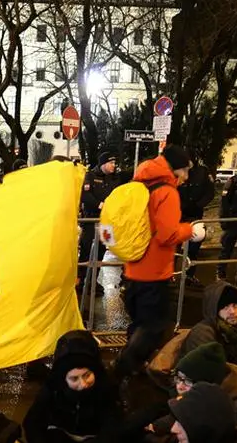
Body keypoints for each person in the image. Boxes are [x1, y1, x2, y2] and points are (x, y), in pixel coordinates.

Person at [116, 146, 196, 378]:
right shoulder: (167, 192)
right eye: (185, 171)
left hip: (133, 266)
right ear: (176, 168)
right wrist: (189, 230)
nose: (186, 177)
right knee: (153, 327)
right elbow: (167, 235)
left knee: (140, 323)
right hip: (154, 271)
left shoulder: (141, 183)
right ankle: (122, 371)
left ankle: (132, 371)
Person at [19, 330, 121, 443]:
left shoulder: (106, 390)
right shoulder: (52, 391)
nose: (83, 384)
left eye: (87, 375)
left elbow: (111, 436)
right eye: (74, 379)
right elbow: (32, 425)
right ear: (63, 378)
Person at [180, 280, 237, 391]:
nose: (232, 312)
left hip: (236, 388)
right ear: (214, 310)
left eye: (235, 305)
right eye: (225, 307)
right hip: (203, 391)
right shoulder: (202, 333)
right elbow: (208, 377)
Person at [78, 151, 119, 292]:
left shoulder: (112, 179)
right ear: (104, 163)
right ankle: (81, 281)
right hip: (91, 220)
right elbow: (84, 195)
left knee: (102, 251)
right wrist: (99, 204)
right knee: (87, 250)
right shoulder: (90, 176)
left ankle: (94, 282)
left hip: (106, 222)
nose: (114, 165)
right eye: (111, 163)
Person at [179, 159, 216, 284]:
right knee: (173, 247)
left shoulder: (202, 172)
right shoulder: (177, 170)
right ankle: (169, 275)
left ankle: (189, 274)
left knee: (194, 247)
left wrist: (199, 205)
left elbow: (210, 192)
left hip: (195, 215)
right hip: (178, 214)